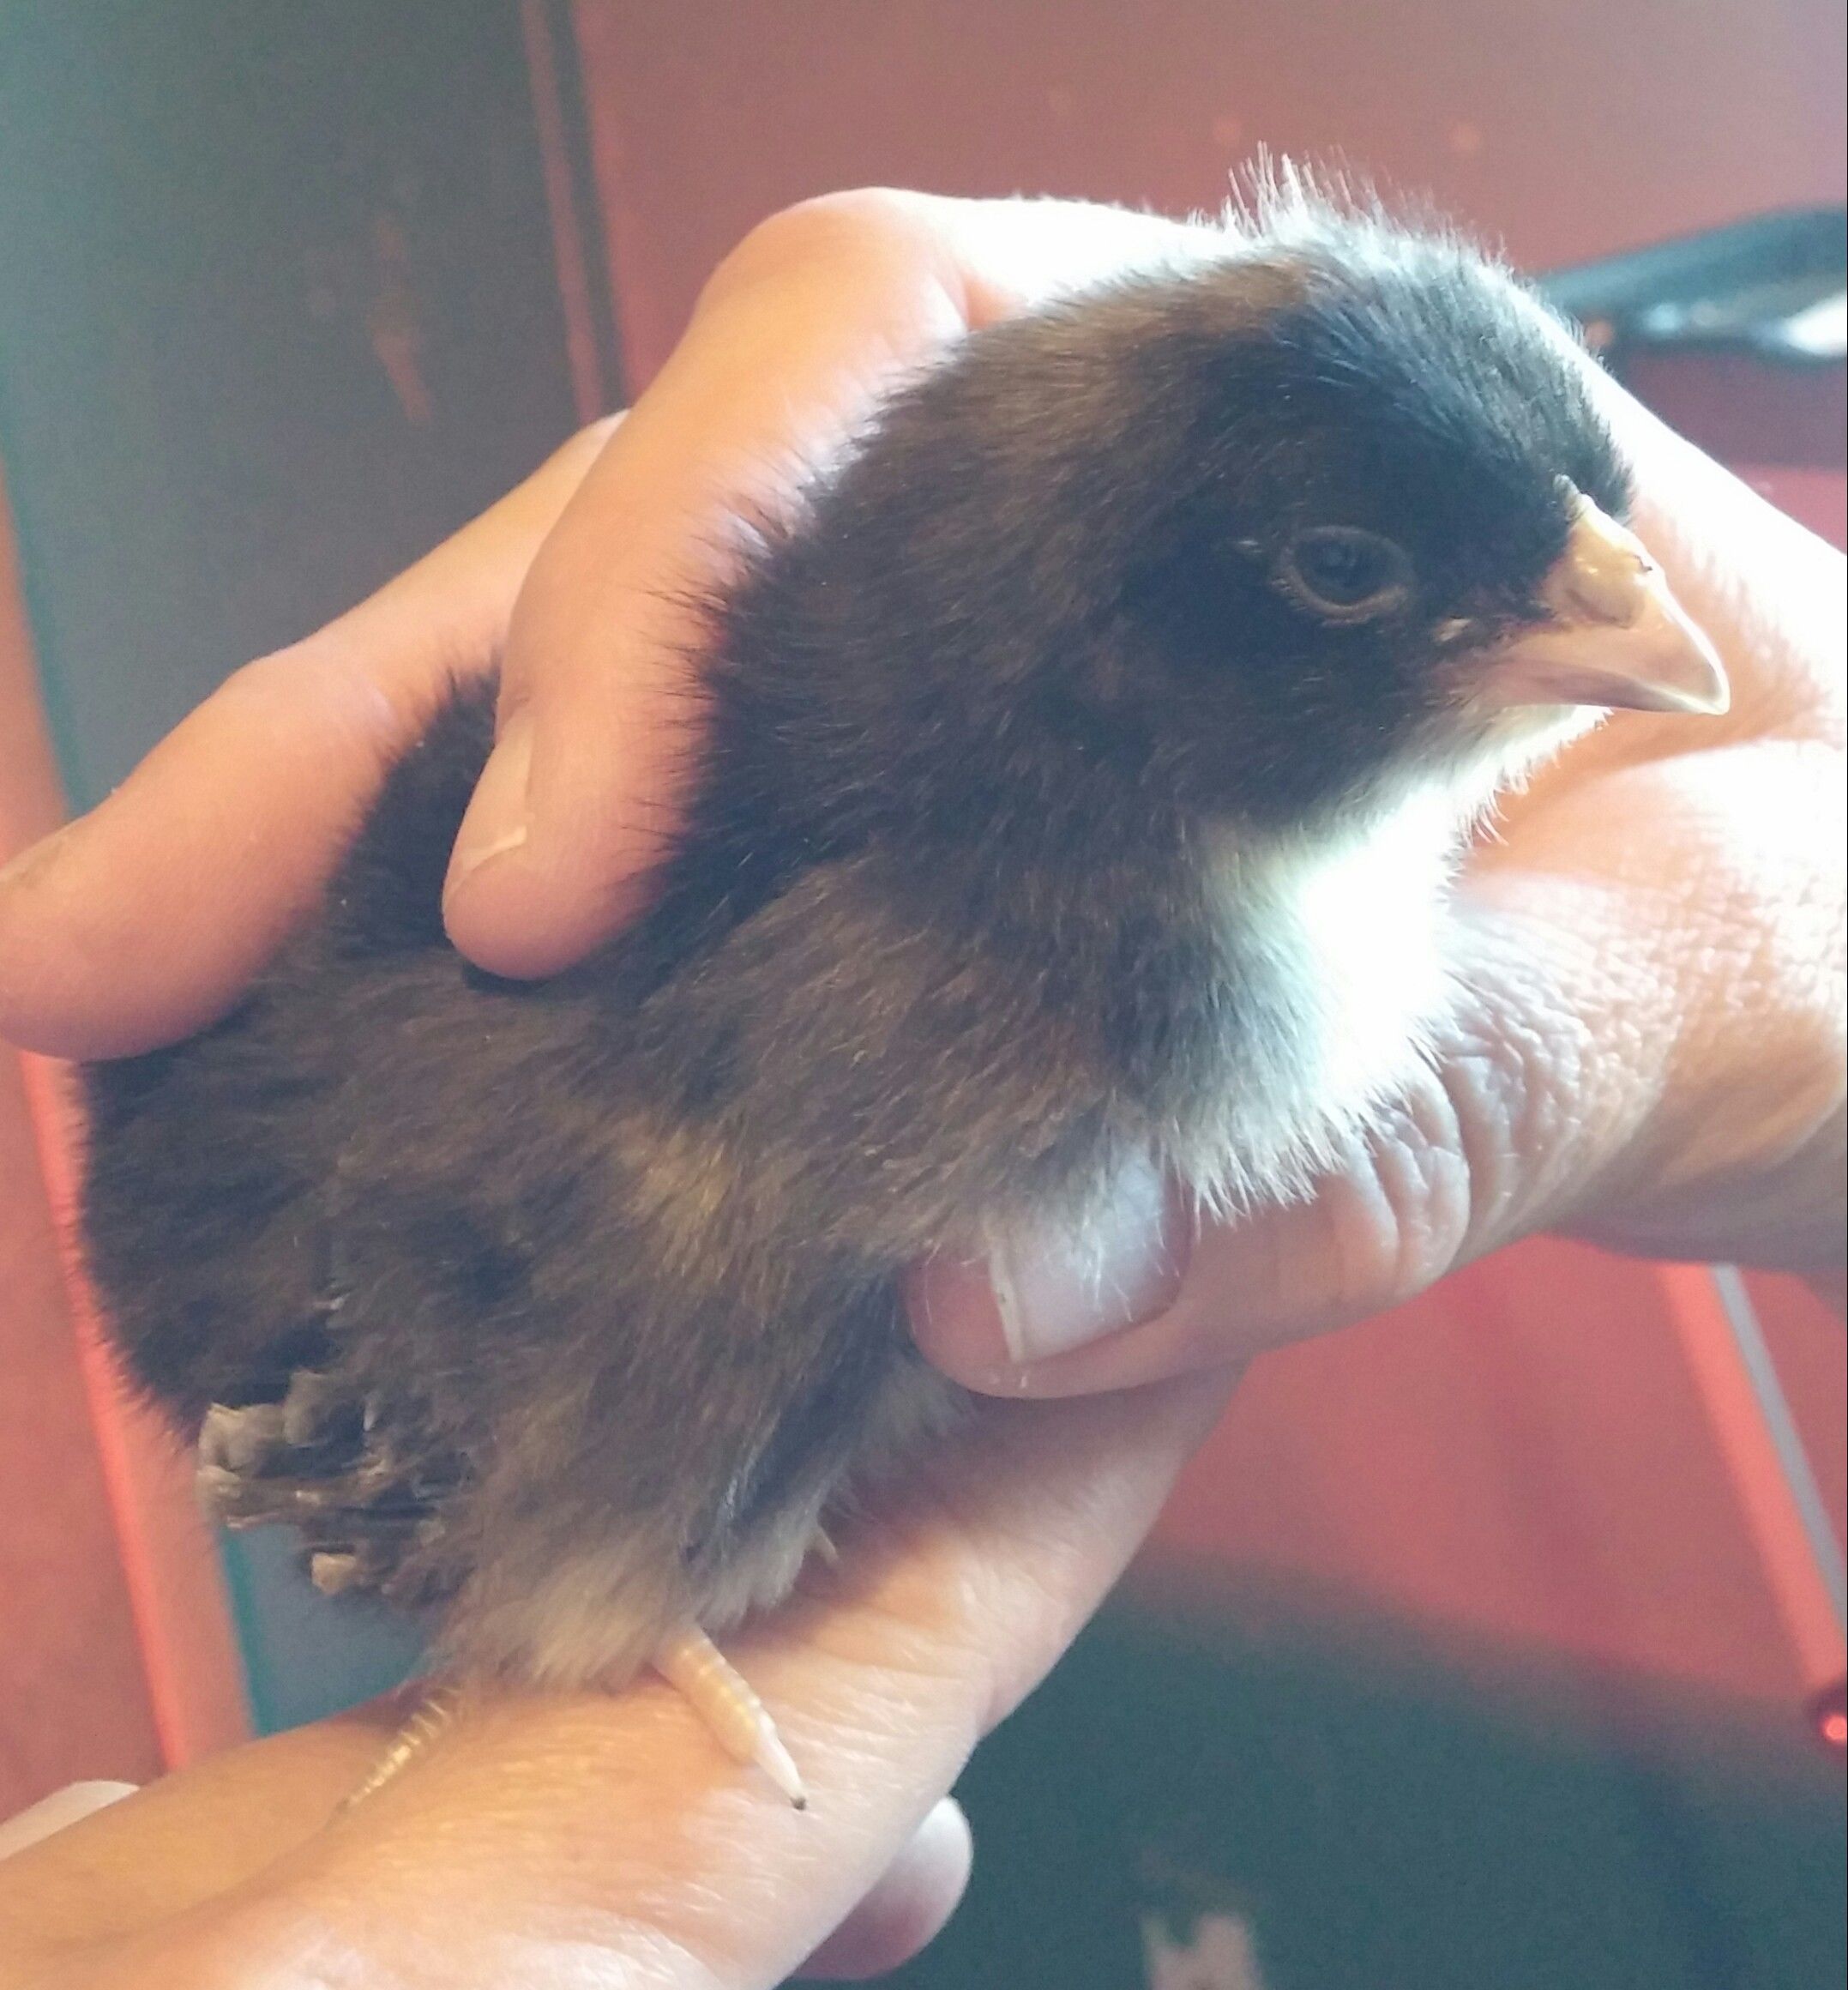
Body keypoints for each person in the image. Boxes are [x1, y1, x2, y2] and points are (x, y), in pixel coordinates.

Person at [0, 191, 1839, 1989]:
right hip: (398, 1317)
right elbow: (397, 1259)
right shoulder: (969, 989)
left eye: (1597, 521)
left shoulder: (1023, 888)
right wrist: (528, 1539)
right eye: (1350, 572)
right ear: (1105, 658)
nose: (1642, 607)